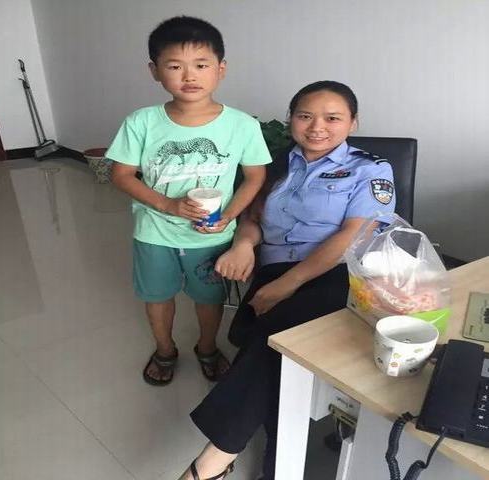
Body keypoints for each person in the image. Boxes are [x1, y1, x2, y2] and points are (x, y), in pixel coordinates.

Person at [178, 80, 396, 480]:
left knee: (273, 341)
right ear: (291, 119)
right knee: (280, 356)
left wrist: (286, 284)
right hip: (273, 271)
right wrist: (243, 244)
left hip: (337, 275)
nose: (317, 127)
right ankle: (275, 468)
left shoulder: (370, 170)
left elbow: (352, 237)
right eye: (305, 116)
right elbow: (253, 219)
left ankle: (210, 464)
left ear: (353, 122)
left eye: (333, 118)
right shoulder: (275, 165)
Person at [107, 16, 271, 386]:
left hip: (211, 234)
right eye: (174, 66)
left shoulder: (242, 125)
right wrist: (167, 205)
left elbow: (255, 176)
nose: (189, 76)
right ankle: (164, 349)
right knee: (157, 296)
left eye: (201, 65)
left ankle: (207, 347)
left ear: (220, 69)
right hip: (154, 232)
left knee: (208, 297)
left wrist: (228, 215)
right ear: (154, 71)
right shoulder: (141, 122)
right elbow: (121, 174)